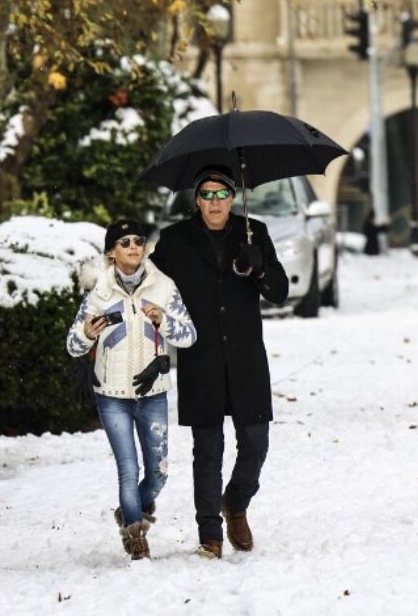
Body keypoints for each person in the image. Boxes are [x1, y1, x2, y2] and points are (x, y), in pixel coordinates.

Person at [149, 165, 289, 559]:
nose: (214, 202)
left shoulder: (253, 232)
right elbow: (150, 284)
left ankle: (236, 502)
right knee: (207, 450)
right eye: (206, 195)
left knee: (255, 443)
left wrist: (258, 265)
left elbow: (279, 291)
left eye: (221, 194)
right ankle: (209, 532)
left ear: (232, 197)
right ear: (196, 200)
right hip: (201, 356)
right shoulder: (175, 239)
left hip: (246, 357)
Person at [66, 218, 197, 560]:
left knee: (158, 473)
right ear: (111, 253)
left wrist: (163, 320)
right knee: (128, 469)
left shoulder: (163, 287)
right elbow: (72, 345)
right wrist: (88, 334)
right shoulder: (99, 293)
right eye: (124, 242)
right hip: (112, 397)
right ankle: (135, 535)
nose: (133, 247)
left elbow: (189, 336)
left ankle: (130, 510)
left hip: (153, 394)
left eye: (138, 240)